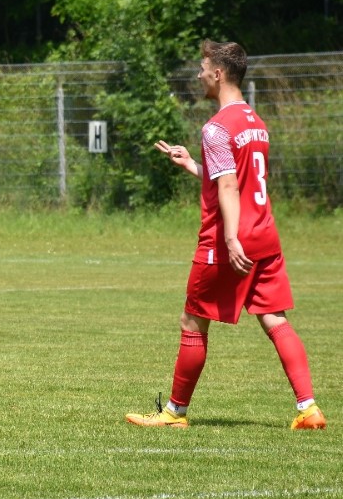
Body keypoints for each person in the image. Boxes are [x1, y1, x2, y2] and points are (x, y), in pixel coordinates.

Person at [126, 40, 326, 430]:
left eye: (202, 68)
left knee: (192, 321)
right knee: (274, 319)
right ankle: (309, 408)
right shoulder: (256, 123)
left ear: (219, 73)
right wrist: (192, 165)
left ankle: (174, 413)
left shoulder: (217, 127)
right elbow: (235, 181)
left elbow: (231, 187)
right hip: (265, 234)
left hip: (229, 239)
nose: (198, 74)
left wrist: (231, 239)